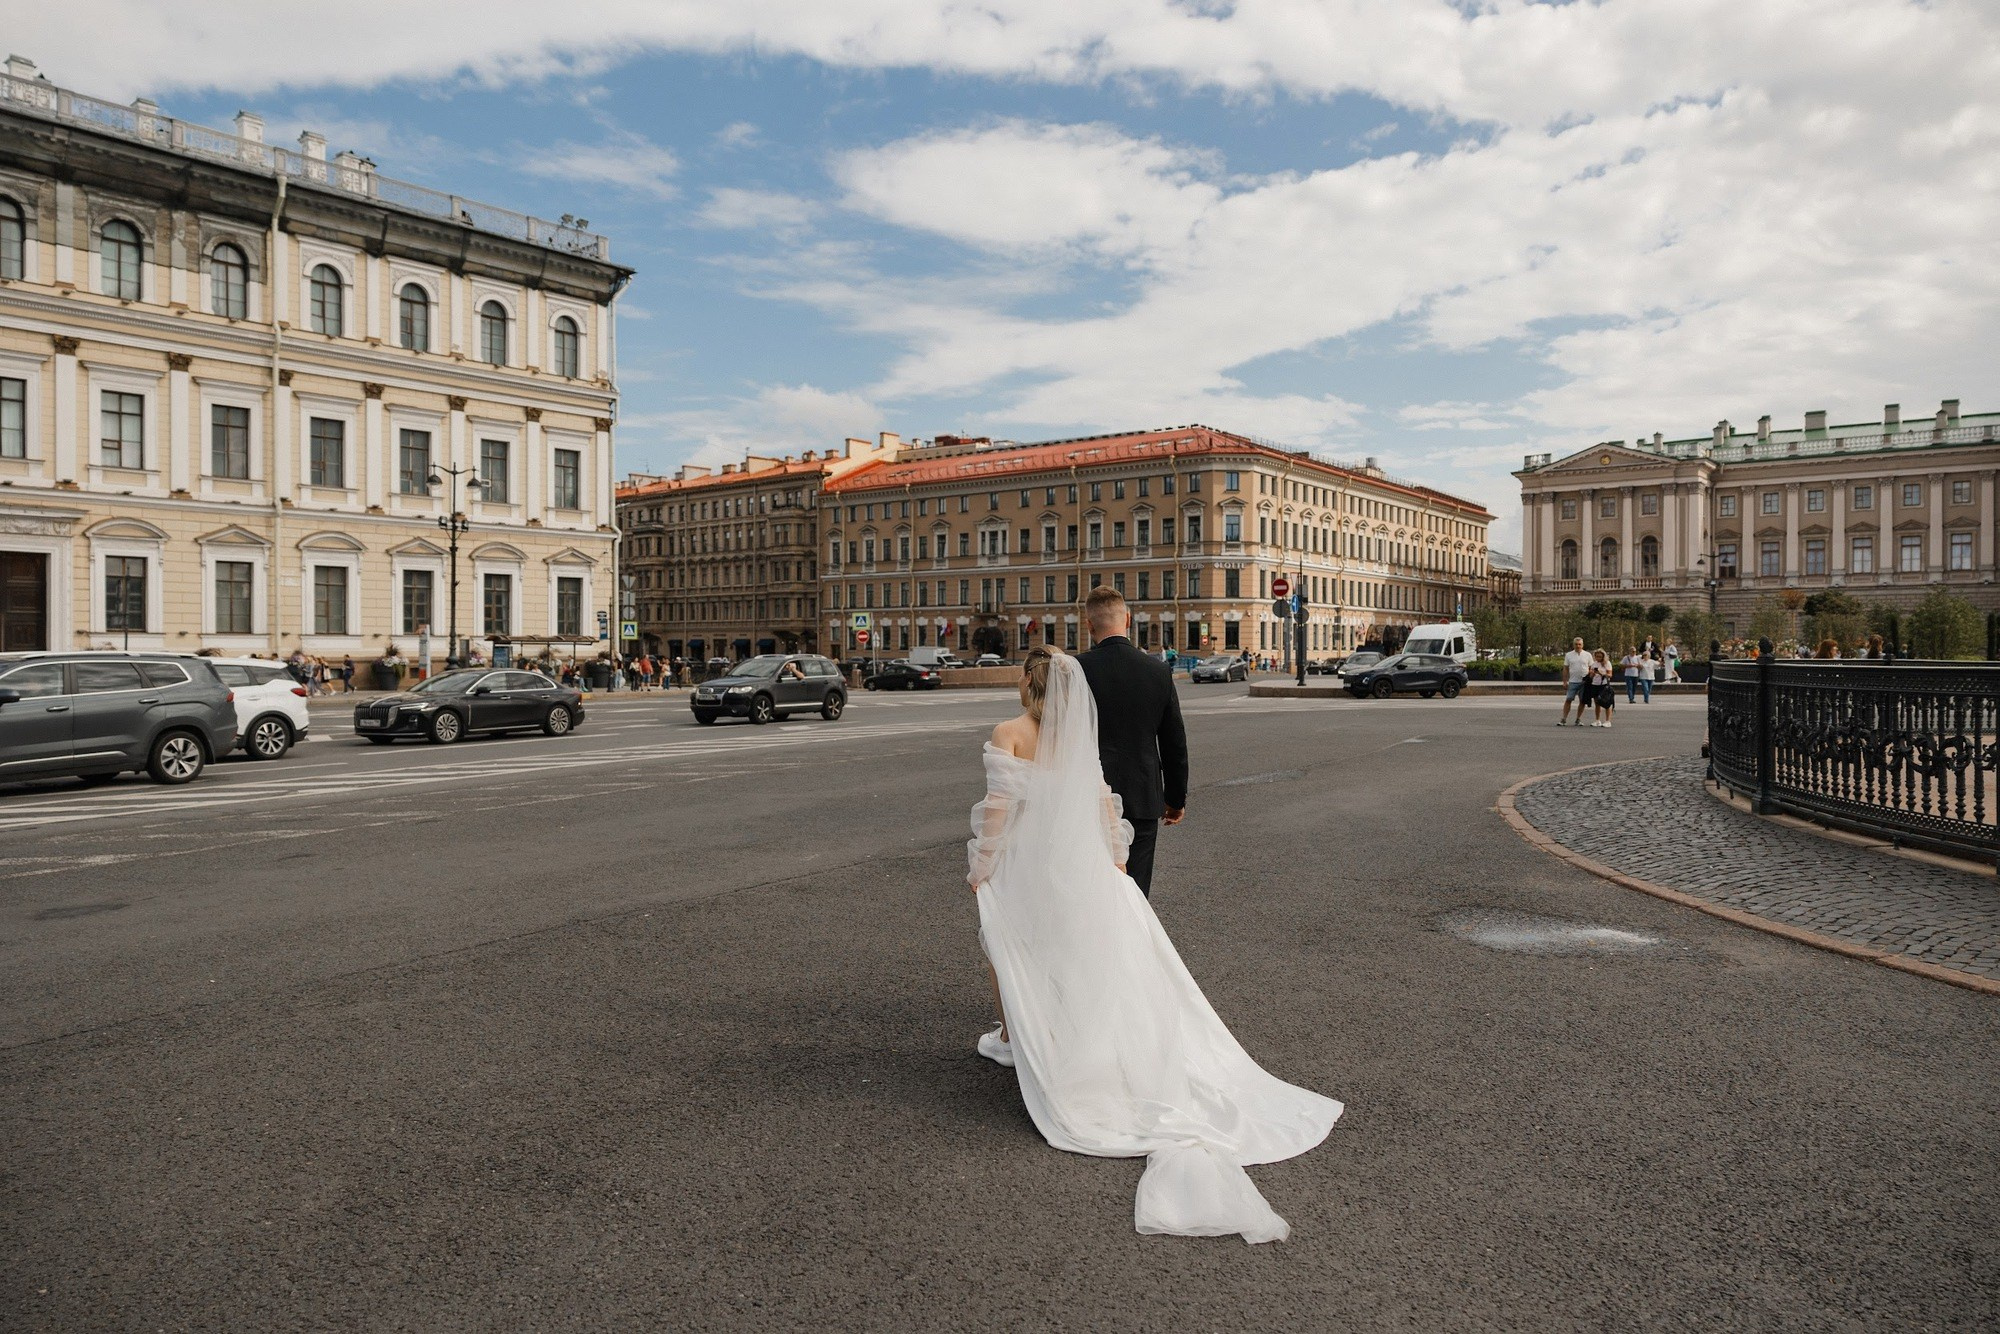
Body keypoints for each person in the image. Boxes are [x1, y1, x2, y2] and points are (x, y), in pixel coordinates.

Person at [967, 645, 1341, 1241]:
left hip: (1029, 862)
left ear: (1026, 688)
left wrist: (982, 866)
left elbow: (999, 808)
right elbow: (1098, 803)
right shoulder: (1076, 739)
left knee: (1010, 943)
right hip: (1080, 862)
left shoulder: (1009, 731)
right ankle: (1061, 1034)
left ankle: (1016, 1037)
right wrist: (1116, 861)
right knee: (1077, 950)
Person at [1075, 587, 1188, 899]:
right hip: (1141, 797)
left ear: (1088, 625)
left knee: (1091, 889)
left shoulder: (1075, 671)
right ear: (1127, 619)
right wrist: (1175, 799)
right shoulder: (1158, 671)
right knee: (1135, 893)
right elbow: (1174, 743)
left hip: (1086, 798)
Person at [1559, 636, 1594, 726]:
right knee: (1568, 699)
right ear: (1573, 645)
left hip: (1584, 682)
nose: (1578, 646)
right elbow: (1565, 668)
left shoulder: (1588, 655)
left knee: (1582, 701)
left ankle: (1578, 719)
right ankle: (1564, 719)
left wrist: (1590, 678)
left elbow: (1591, 668)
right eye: (1576, 644)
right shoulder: (1569, 655)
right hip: (1573, 681)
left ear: (1582, 645)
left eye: (1579, 644)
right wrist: (1564, 681)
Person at [1589, 649, 1617, 728]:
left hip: (1604, 685)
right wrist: (1593, 673)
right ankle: (1597, 720)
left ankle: (1608, 721)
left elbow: (1610, 675)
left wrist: (1601, 673)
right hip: (1595, 684)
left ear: (1603, 657)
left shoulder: (1607, 663)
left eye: (1600, 657)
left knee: (1606, 703)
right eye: (1597, 656)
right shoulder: (1594, 664)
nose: (1598, 658)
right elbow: (1591, 676)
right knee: (1597, 702)